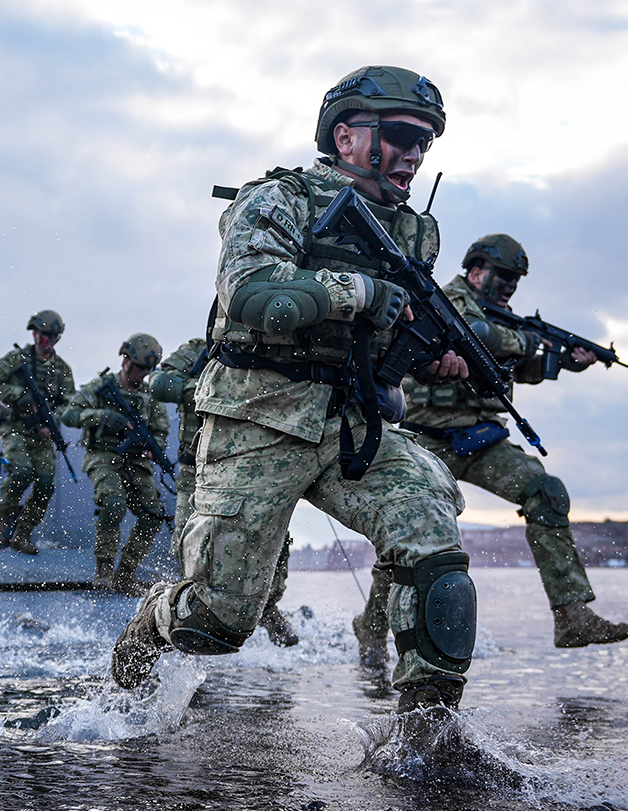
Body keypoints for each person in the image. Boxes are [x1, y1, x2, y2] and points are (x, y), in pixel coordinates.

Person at [111, 65, 477, 714]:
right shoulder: (280, 199)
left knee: (434, 542)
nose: (415, 154)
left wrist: (430, 359)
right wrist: (360, 291)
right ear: (345, 137)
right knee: (216, 622)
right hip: (257, 417)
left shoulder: (415, 232)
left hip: (351, 428)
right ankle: (151, 623)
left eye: (425, 142)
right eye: (400, 136)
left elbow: (382, 336)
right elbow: (253, 295)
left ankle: (430, 739)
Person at [348, 234, 628, 664]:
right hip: (428, 438)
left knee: (546, 491)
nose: (510, 286)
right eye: (504, 276)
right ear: (477, 270)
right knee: (413, 535)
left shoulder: (506, 320)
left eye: (516, 280)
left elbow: (516, 366)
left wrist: (562, 361)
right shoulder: (446, 300)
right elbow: (475, 334)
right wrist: (529, 341)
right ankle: (371, 628)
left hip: (481, 439)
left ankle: (571, 615)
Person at [148, 338, 299, 646]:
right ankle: (183, 611)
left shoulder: (263, 351)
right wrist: (215, 388)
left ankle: (267, 606)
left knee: (274, 540)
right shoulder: (195, 351)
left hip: (249, 466)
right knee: (188, 541)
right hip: (198, 466)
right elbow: (160, 384)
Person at [60, 334, 170, 595]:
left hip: (136, 460)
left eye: (148, 369)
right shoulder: (102, 386)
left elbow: (161, 430)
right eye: (139, 367)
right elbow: (69, 414)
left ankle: (125, 574)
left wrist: (153, 447)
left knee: (153, 514)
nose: (142, 374)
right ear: (125, 360)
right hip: (103, 455)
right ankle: (104, 568)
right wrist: (102, 416)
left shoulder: (149, 396)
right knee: (113, 502)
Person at [0, 311, 76, 554]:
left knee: (46, 483)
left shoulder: (61, 369)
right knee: (22, 471)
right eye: (46, 336)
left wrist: (53, 421)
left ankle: (22, 533)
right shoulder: (17, 359)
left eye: (54, 337)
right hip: (15, 426)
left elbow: (68, 403)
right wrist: (21, 396)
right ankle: (2, 519)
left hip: (41, 433)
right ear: (35, 334)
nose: (50, 341)